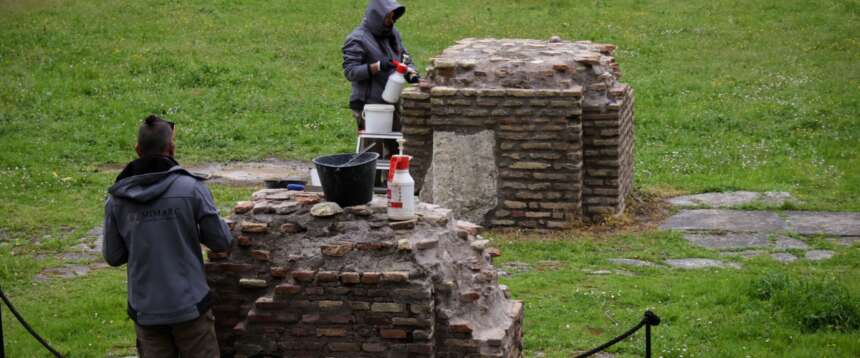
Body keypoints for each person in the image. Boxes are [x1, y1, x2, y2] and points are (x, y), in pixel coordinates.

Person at [103, 115, 233, 357]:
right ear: (171, 149)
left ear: (137, 150)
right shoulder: (192, 188)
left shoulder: (117, 199)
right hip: (190, 307)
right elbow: (221, 241)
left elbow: (113, 256)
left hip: (146, 309)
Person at [342, 0, 420, 133]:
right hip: (370, 106)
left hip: (391, 101)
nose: (392, 20)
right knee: (374, 149)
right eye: (388, 17)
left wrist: (411, 73)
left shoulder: (392, 33)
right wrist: (378, 66)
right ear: (377, 17)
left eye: (393, 16)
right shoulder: (357, 39)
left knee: (396, 146)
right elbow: (351, 72)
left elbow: (404, 57)